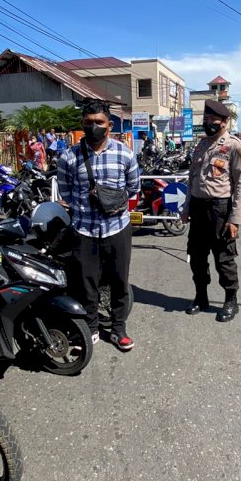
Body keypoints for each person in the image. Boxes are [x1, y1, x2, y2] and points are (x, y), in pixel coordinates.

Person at [57, 99, 140, 351]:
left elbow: (133, 188)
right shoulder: (68, 157)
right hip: (84, 229)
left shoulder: (124, 153)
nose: (94, 126)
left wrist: (113, 205)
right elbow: (66, 192)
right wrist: (85, 209)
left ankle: (118, 329)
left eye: (99, 122)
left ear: (109, 125)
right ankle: (91, 327)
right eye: (89, 122)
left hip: (118, 228)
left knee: (119, 281)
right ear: (82, 124)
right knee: (86, 282)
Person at [180, 99, 241, 322]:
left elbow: (240, 184)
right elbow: (192, 180)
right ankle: (201, 297)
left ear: (225, 121)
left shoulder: (235, 146)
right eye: (205, 119)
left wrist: (235, 218)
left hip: (220, 209)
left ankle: (231, 301)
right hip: (198, 209)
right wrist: (187, 207)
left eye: (212, 120)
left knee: (224, 259)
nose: (208, 123)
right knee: (197, 257)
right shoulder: (201, 145)